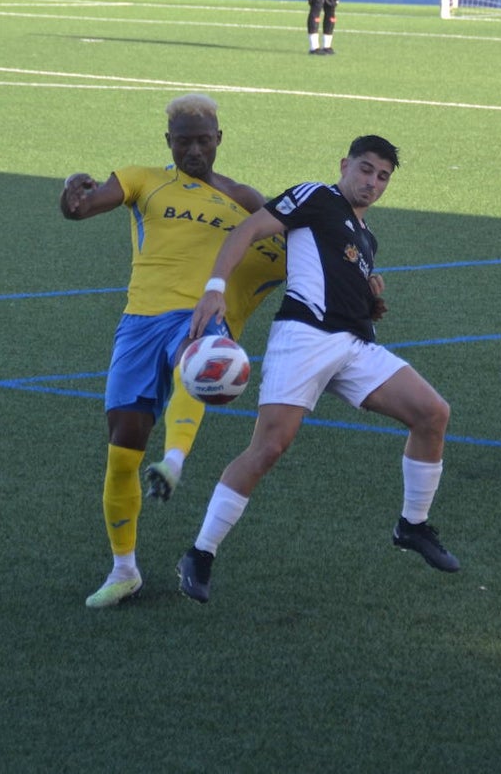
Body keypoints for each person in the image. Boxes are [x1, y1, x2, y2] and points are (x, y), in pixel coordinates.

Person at [176, 134, 459, 605]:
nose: (372, 182)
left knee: (433, 413)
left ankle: (411, 525)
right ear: (345, 164)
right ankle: (200, 553)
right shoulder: (315, 196)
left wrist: (370, 296)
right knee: (268, 449)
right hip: (304, 337)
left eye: (383, 177)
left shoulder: (367, 237)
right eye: (365, 169)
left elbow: (338, 271)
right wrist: (214, 288)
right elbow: (246, 230)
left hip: (355, 344)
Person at [60, 93, 286, 609]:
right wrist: (72, 195)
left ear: (219, 140)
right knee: (122, 447)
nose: (194, 150)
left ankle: (175, 460)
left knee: (200, 357)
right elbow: (83, 207)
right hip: (138, 323)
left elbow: (296, 245)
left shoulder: (247, 199)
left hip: (202, 313)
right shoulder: (143, 179)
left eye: (203, 141)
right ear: (169, 142)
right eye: (183, 141)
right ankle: (124, 571)